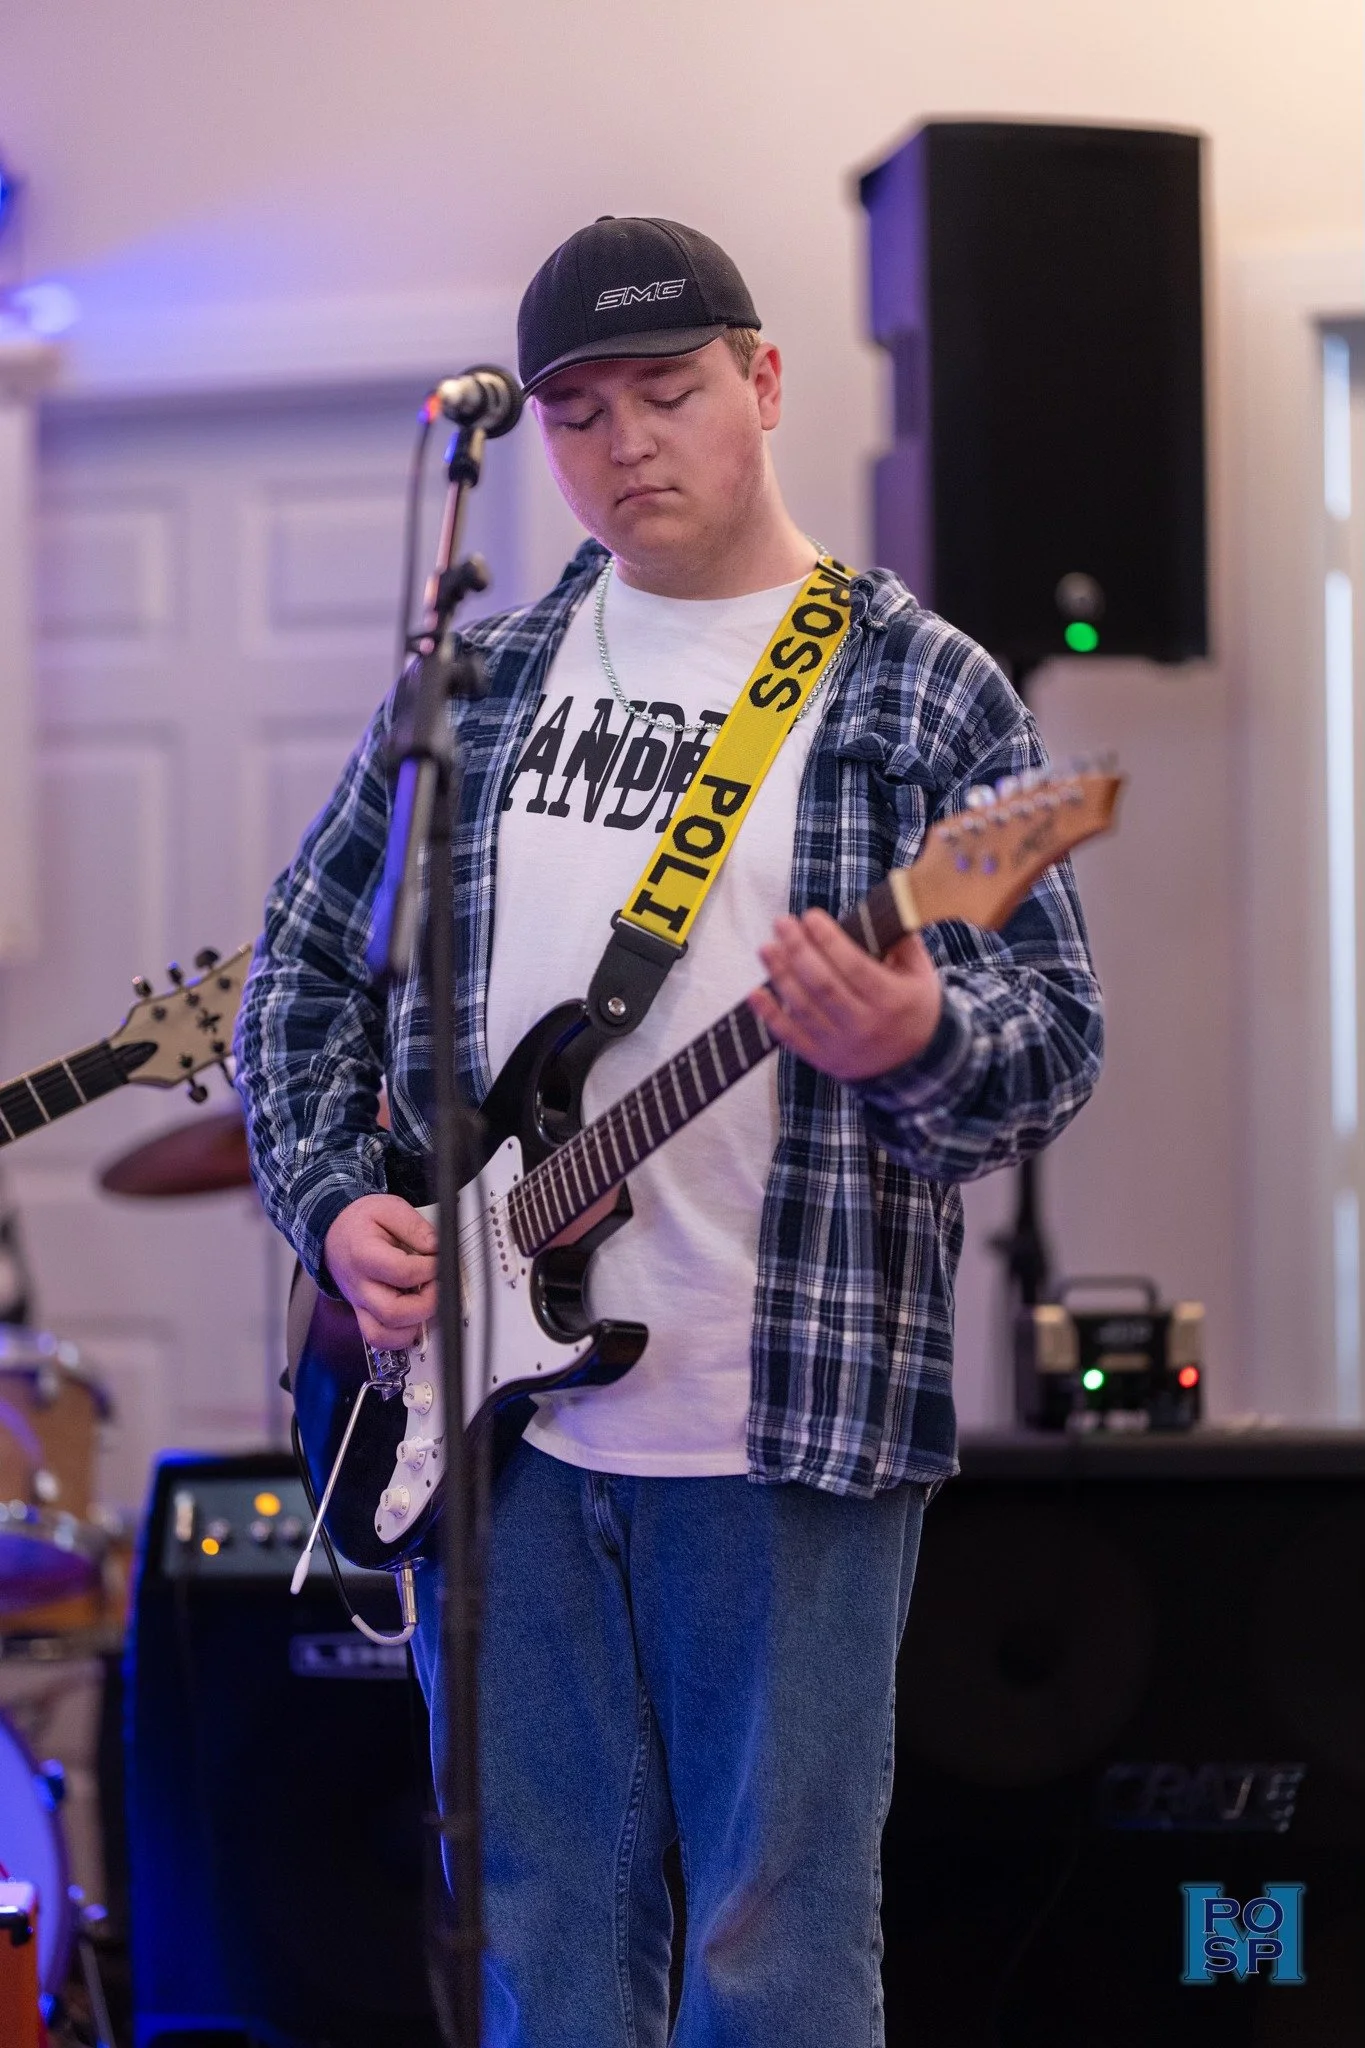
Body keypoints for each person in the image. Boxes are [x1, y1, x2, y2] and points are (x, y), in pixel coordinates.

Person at [234, 215, 1103, 2048]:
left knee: (769, 1964)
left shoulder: (919, 689)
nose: (626, 443)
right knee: (544, 1943)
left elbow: (1054, 1042)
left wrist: (918, 1029)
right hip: (502, 1430)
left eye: (671, 391)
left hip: (782, 1418)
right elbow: (297, 981)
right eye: (575, 412)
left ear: (765, 384)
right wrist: (334, 1211)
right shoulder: (473, 689)